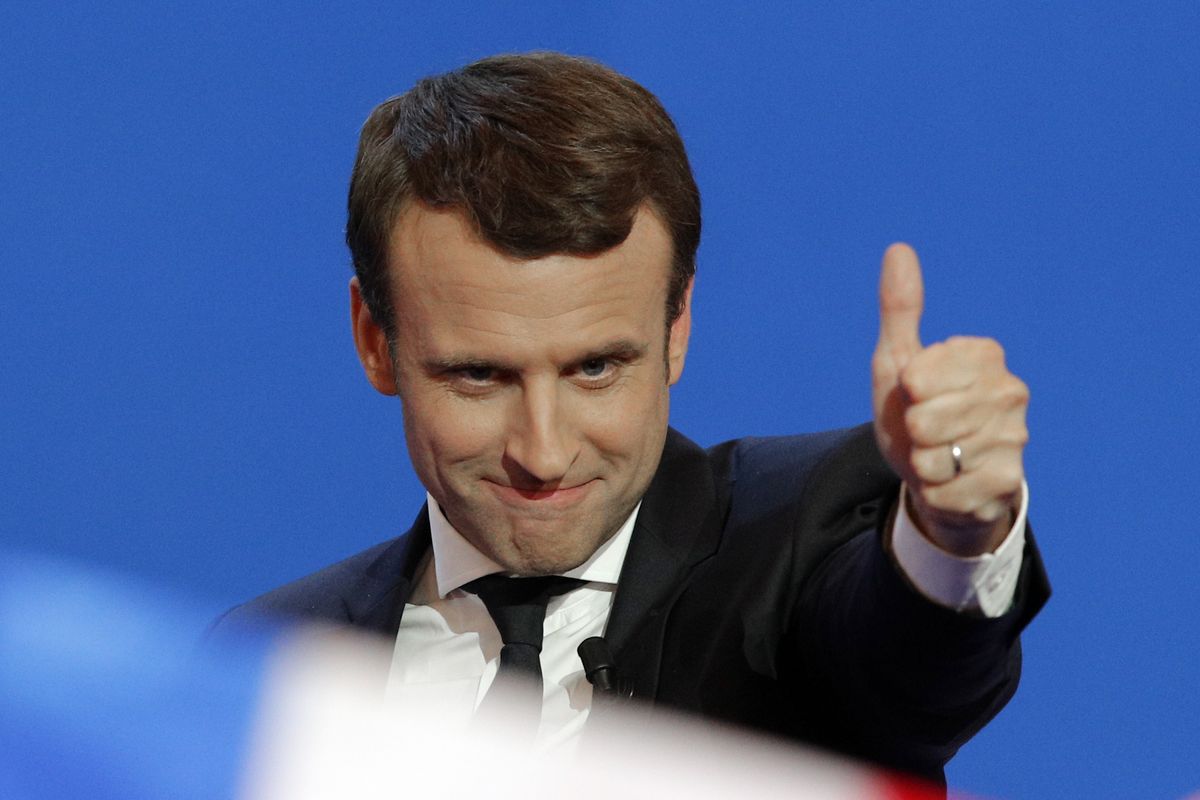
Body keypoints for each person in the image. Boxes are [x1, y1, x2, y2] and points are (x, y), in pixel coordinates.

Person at [219, 51, 1049, 787]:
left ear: (676, 326)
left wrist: (950, 532)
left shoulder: (797, 544)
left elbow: (913, 677)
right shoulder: (273, 662)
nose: (542, 452)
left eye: (595, 368)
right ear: (375, 340)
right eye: (479, 376)